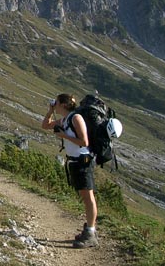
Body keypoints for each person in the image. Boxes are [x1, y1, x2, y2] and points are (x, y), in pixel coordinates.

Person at [41, 93, 99, 248]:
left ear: (64, 104)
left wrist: (63, 136)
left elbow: (84, 141)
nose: (55, 104)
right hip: (75, 161)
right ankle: (89, 229)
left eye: (57, 102)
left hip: (83, 161)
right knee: (85, 195)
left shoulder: (75, 118)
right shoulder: (66, 119)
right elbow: (45, 125)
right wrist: (50, 111)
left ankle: (91, 233)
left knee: (88, 196)